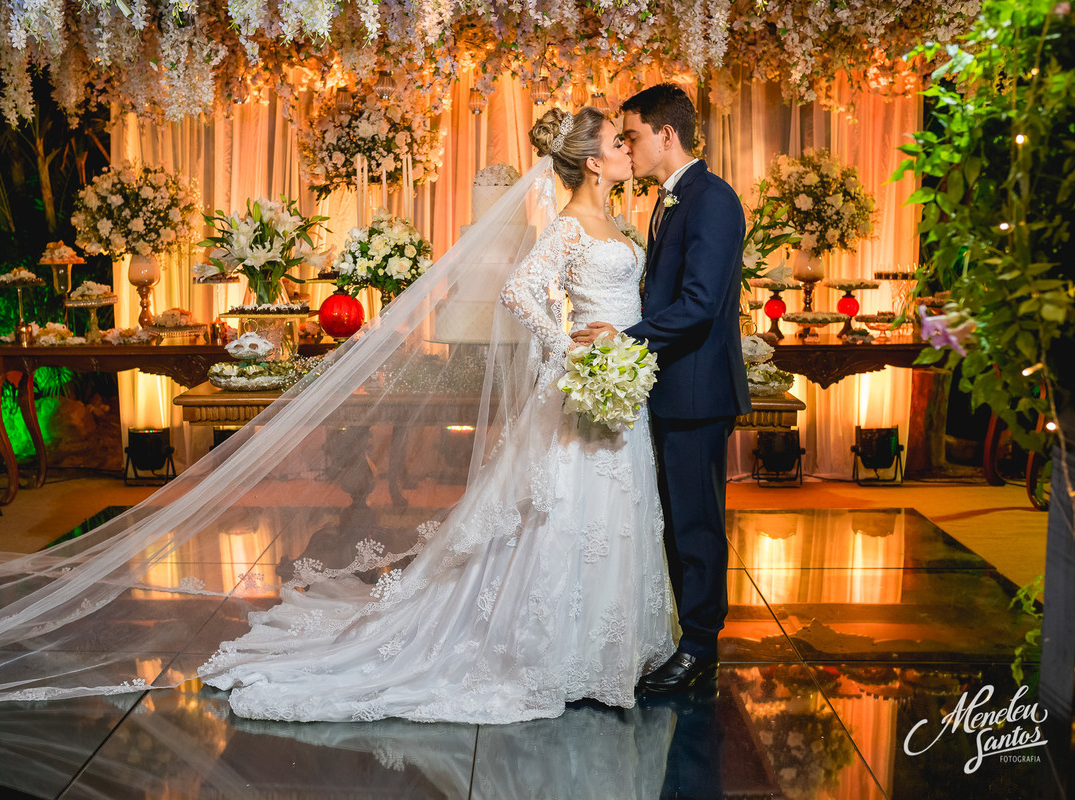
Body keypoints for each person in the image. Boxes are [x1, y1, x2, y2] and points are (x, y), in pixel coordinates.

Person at [197, 105, 676, 722]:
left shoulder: (618, 221)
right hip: (585, 382)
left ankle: (609, 650)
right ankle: (552, 651)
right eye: (618, 142)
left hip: (620, 387)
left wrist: (619, 355)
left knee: (616, 509)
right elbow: (519, 291)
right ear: (592, 162)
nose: (628, 150)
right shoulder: (569, 224)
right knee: (569, 513)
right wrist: (569, 350)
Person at [573, 83, 750, 693]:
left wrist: (625, 339)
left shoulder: (713, 200)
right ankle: (686, 638)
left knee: (697, 524)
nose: (628, 145)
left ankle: (701, 647)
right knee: (676, 521)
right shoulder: (672, 200)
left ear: (665, 135)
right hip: (670, 389)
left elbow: (699, 305)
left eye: (633, 135)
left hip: (698, 393)